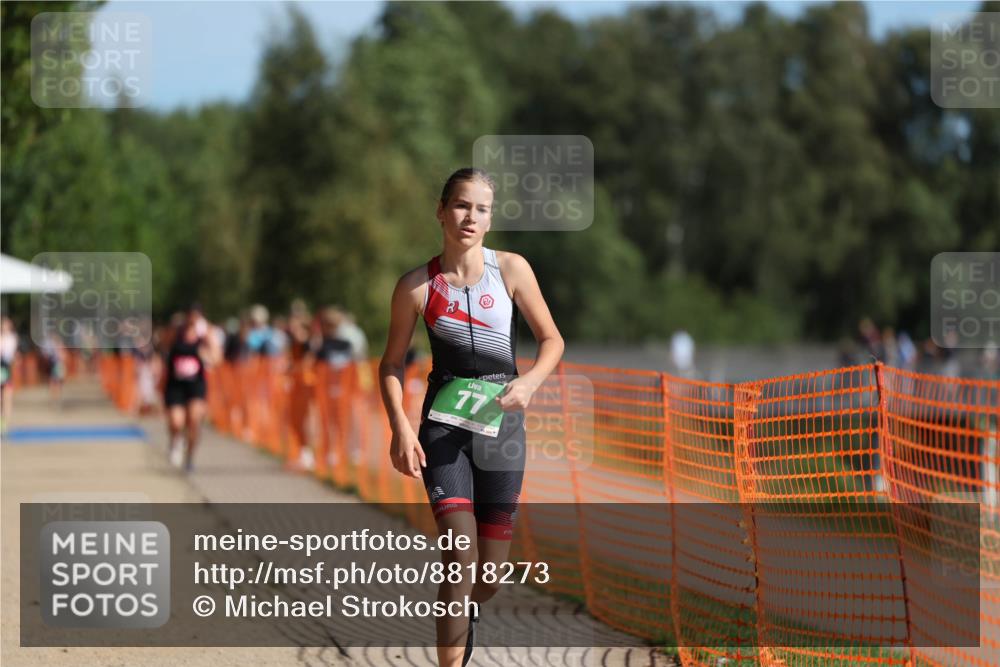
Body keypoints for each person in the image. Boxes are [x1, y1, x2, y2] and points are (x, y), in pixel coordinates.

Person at [379, 168, 564, 667]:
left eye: (481, 208)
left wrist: (527, 383)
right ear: (441, 211)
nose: (470, 216)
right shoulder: (417, 286)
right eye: (461, 205)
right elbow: (392, 363)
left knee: (488, 575)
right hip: (443, 430)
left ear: (489, 219)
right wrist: (399, 426)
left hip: (502, 431)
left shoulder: (512, 270)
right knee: (459, 556)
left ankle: (461, 610)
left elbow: (553, 340)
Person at [163, 305, 221, 472]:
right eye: (190, 316)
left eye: (197, 317)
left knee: (194, 420)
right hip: (176, 384)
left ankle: (190, 456)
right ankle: (175, 441)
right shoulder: (176, 332)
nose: (193, 320)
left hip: (196, 384)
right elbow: (163, 347)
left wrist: (206, 352)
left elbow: (217, 358)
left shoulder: (206, 335)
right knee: (176, 421)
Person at [0, 317, 19, 431]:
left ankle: (5, 425)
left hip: (6, 369)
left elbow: (9, 355)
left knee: (7, 398)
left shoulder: (12, 338)